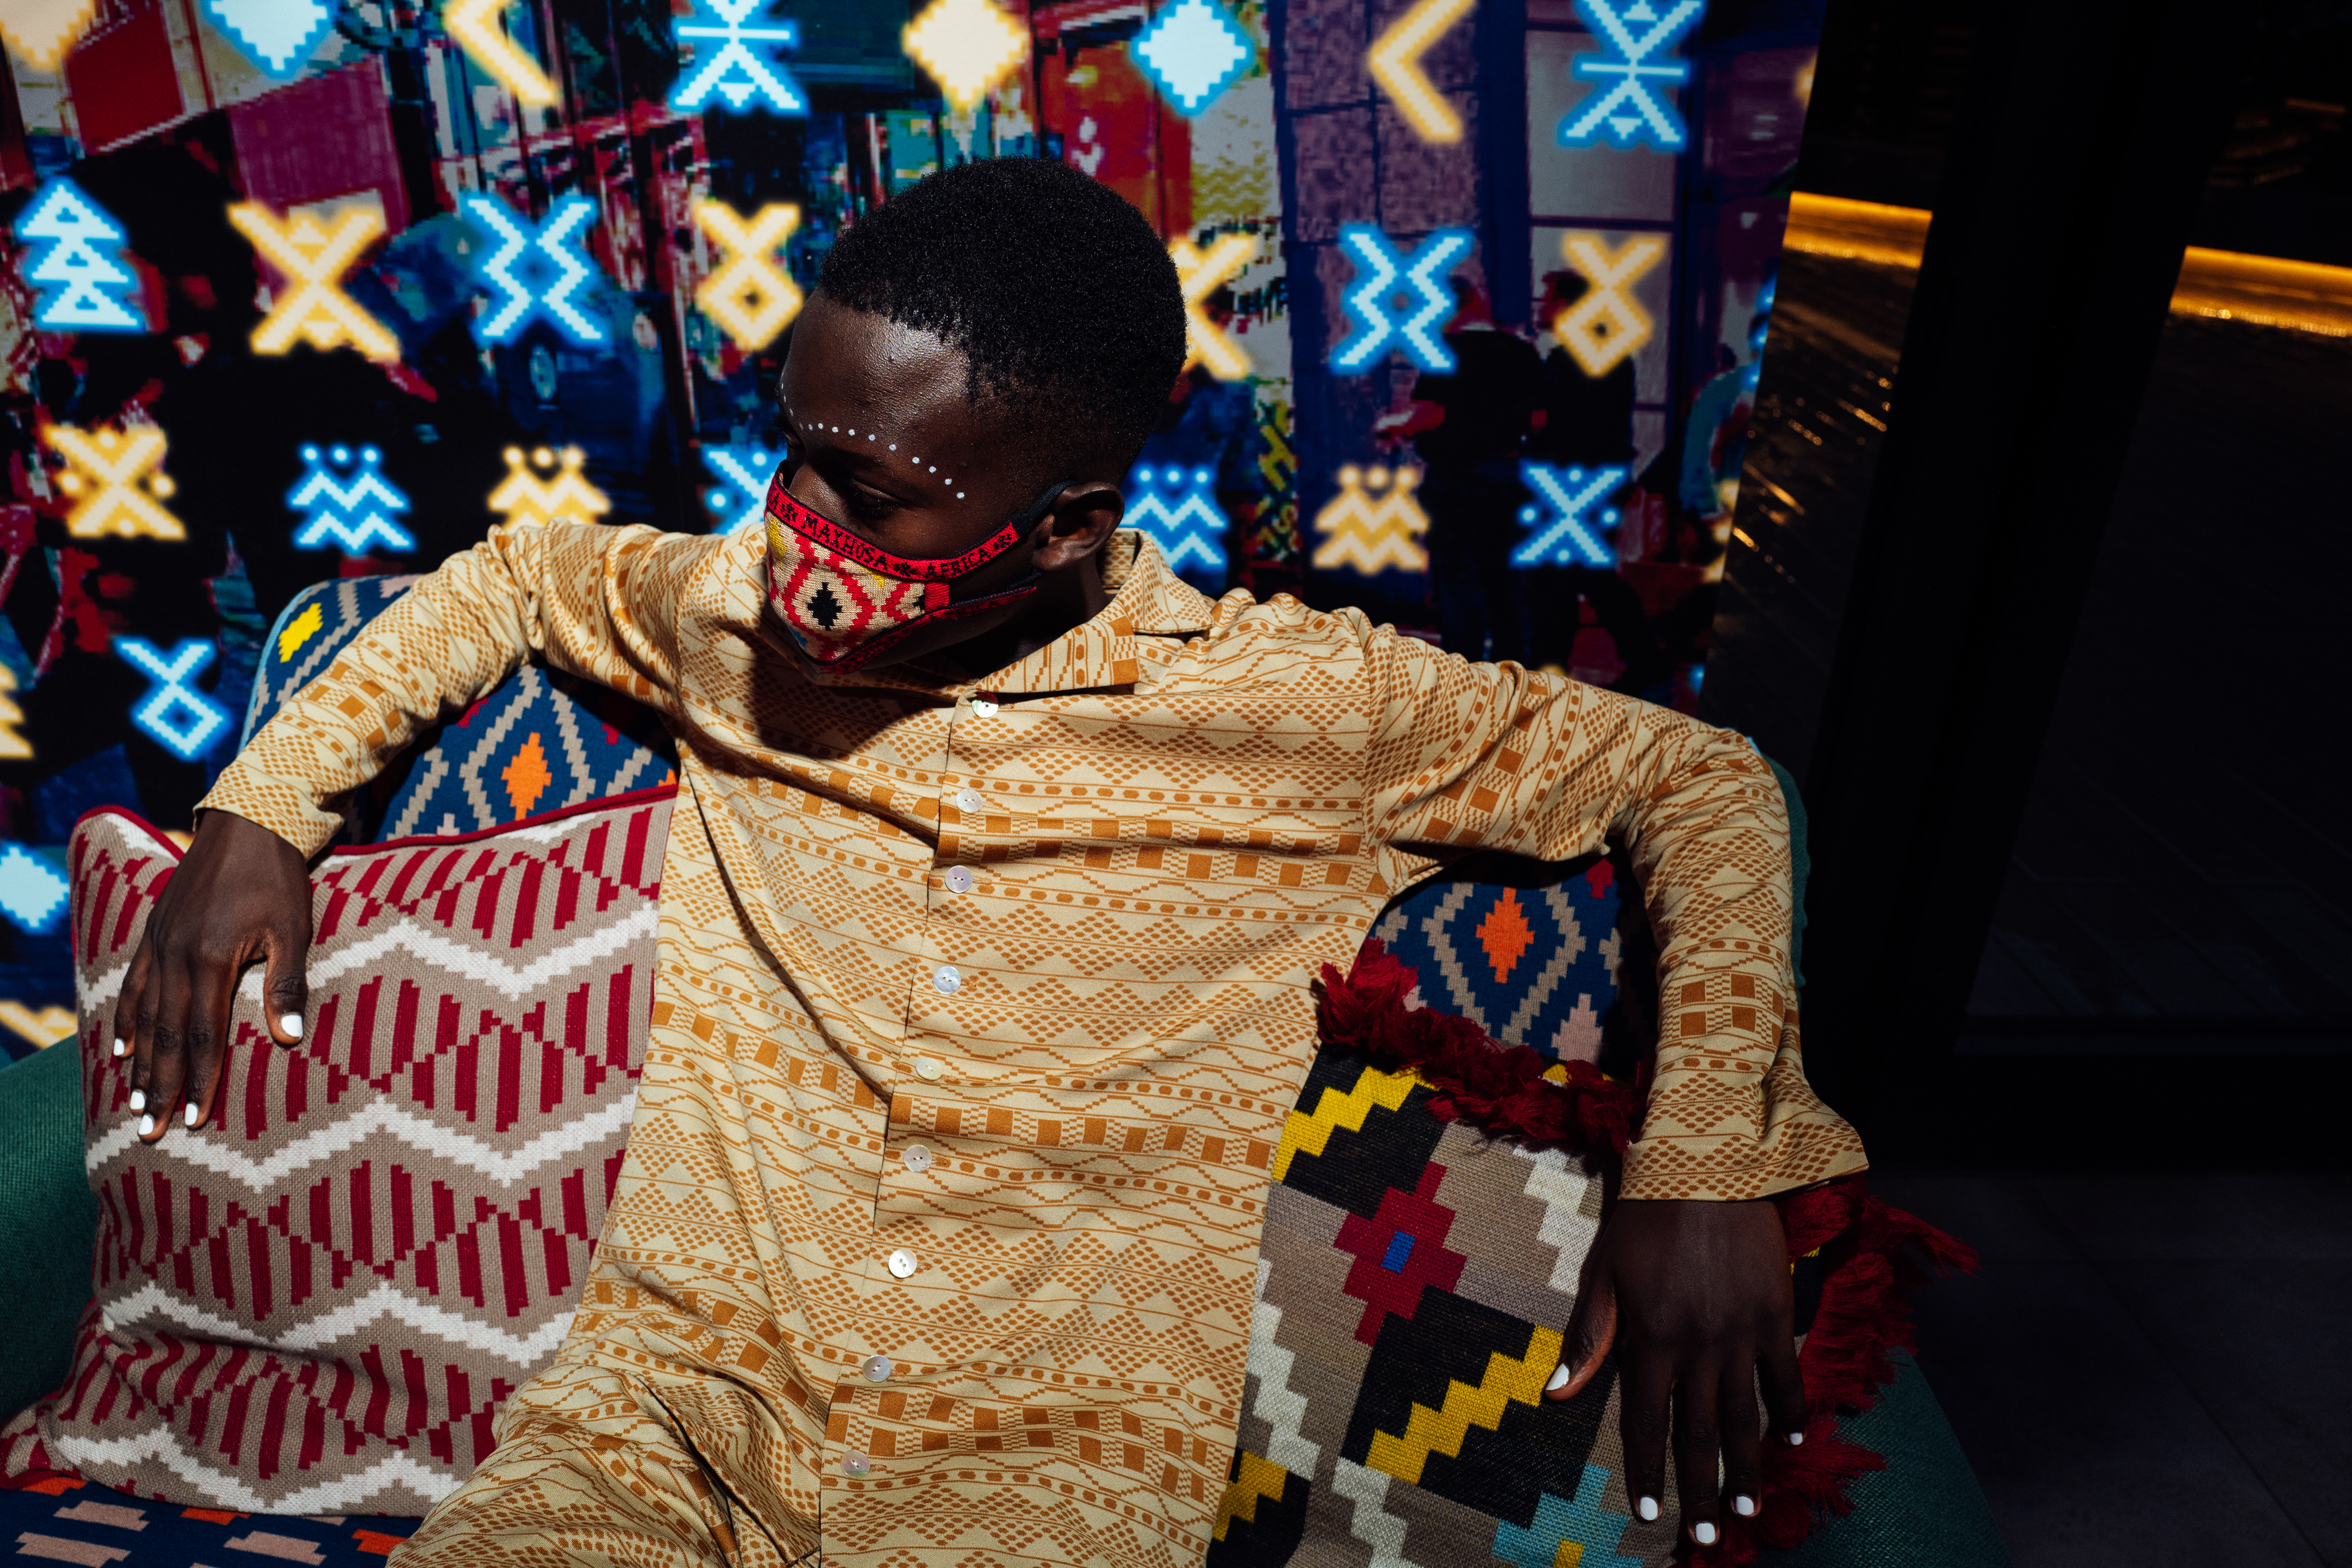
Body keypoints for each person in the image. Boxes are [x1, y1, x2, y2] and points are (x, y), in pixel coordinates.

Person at [113, 160, 1865, 1568]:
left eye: (872, 494)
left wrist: (1701, 1156)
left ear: (1072, 523)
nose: (795, 534)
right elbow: (511, 574)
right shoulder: (723, 618)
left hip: (1046, 1489)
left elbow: (1697, 780)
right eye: (790, 455)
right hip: (653, 1430)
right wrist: (258, 810)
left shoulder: (1298, 707)